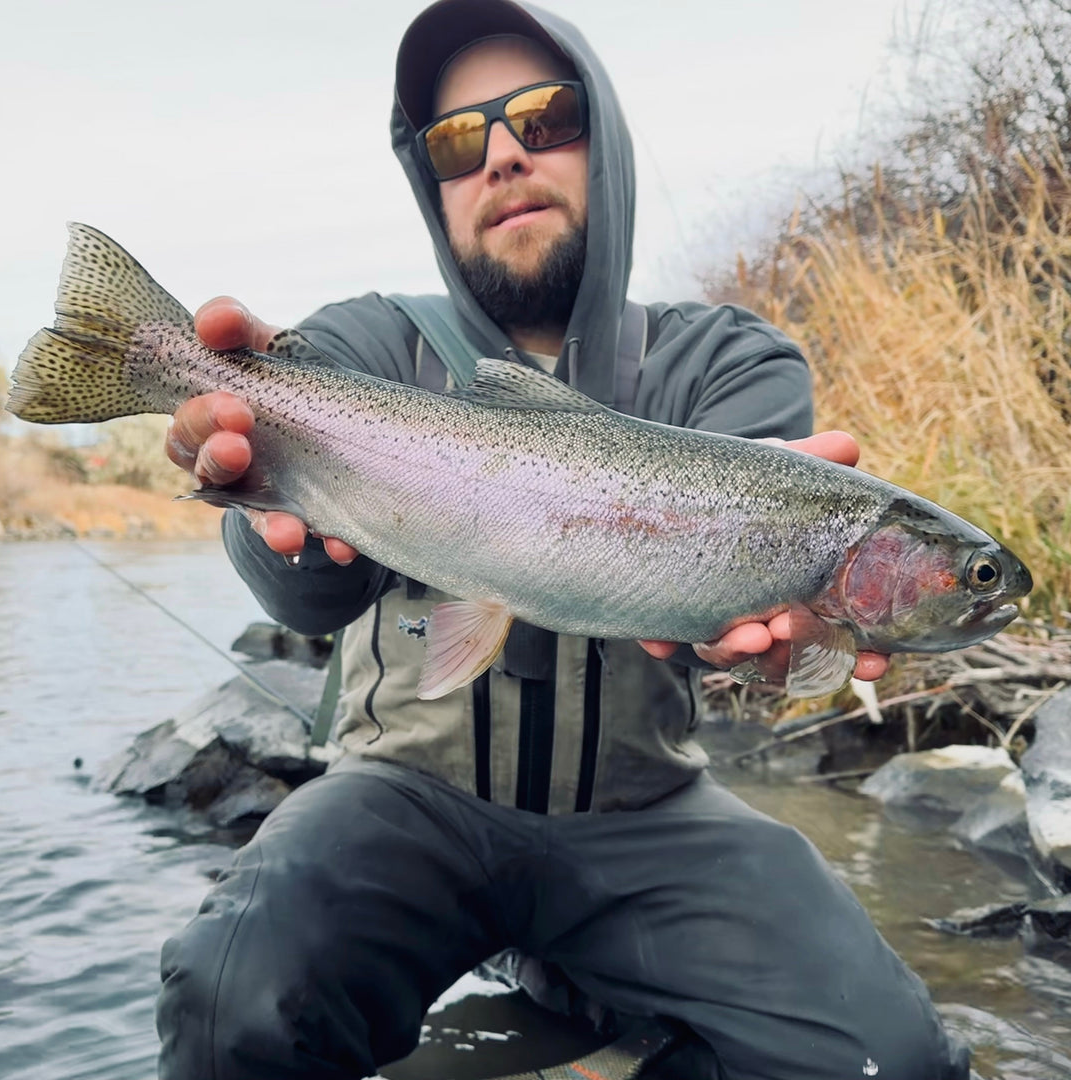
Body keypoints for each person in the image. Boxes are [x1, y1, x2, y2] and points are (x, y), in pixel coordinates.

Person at [156, 1, 970, 1077]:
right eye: (458, 139)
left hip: (647, 817)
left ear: (608, 142)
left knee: (891, 1058)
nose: (501, 154)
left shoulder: (724, 359)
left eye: (545, 118)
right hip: (402, 800)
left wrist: (747, 630)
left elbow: (741, 617)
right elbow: (300, 597)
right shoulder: (359, 345)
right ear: (429, 177)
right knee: (231, 995)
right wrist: (272, 505)